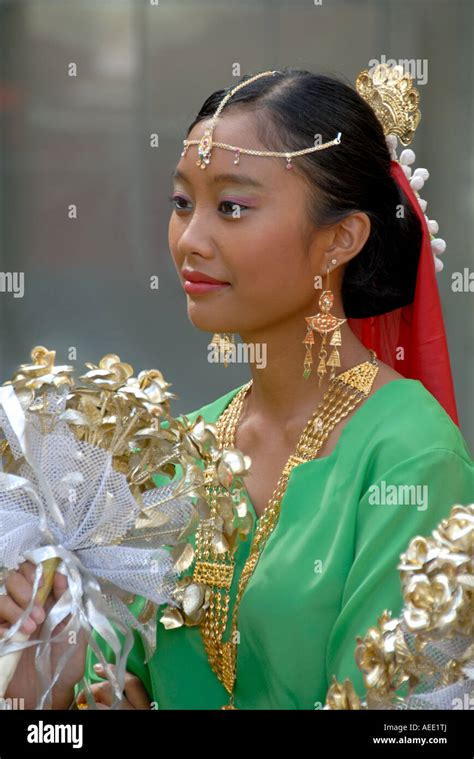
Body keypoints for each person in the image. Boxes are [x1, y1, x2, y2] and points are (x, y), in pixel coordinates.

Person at [2, 66, 473, 710]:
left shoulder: (410, 456)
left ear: (340, 238)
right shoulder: (175, 450)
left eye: (232, 207)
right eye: (181, 203)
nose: (190, 241)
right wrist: (48, 659)